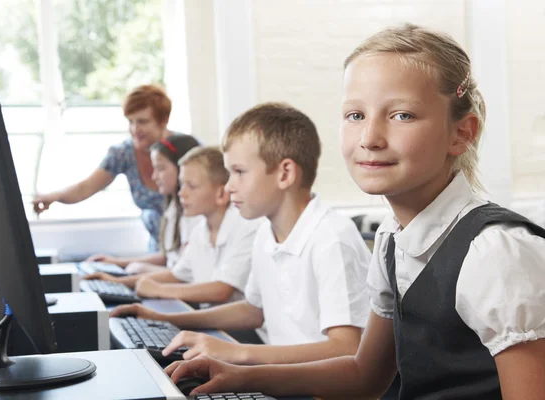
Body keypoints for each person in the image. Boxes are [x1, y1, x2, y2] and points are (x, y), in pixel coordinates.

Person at [164, 24, 545, 399]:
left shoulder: (495, 253)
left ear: (461, 133)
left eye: (402, 115)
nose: (370, 139)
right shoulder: (392, 240)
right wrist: (240, 376)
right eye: (356, 115)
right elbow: (364, 376)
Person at [112, 103, 371, 367]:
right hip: (285, 377)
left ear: (285, 173)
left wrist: (238, 354)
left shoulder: (331, 239)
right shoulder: (266, 232)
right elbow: (254, 311)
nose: (229, 186)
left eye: (239, 172)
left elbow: (346, 348)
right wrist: (165, 319)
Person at [92, 146, 260, 304]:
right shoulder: (199, 232)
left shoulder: (246, 227)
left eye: (191, 186)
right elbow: (177, 275)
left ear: (221, 194)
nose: (181, 193)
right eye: (181, 184)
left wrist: (159, 290)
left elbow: (222, 290)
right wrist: (117, 282)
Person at [33, 85, 177, 251]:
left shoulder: (184, 149)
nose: (135, 130)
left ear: (163, 121)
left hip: (189, 249)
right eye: (130, 121)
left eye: (142, 122)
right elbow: (85, 188)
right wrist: (54, 196)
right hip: (158, 251)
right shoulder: (123, 153)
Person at [84, 133, 201, 276]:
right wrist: (116, 262)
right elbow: (168, 257)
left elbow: (185, 274)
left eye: (161, 168)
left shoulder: (196, 216)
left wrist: (137, 272)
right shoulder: (173, 209)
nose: (154, 176)